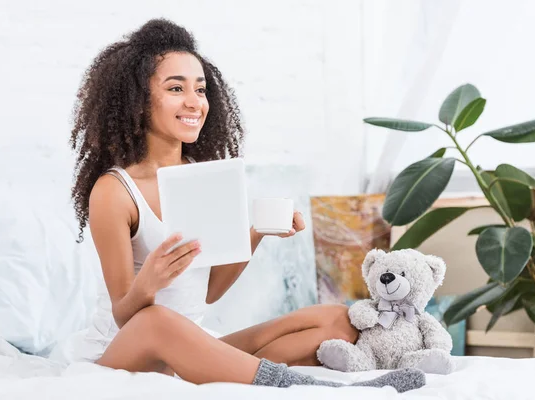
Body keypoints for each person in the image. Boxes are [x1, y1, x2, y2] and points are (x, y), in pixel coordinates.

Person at [68, 18, 425, 391]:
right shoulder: (115, 190)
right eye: (176, 88)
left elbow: (206, 293)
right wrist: (149, 282)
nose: (194, 102)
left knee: (336, 319)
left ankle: (218, 367)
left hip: (185, 343)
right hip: (125, 352)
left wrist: (256, 233)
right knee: (156, 320)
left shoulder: (202, 176)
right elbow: (126, 315)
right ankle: (313, 389)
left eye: (201, 90)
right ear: (138, 102)